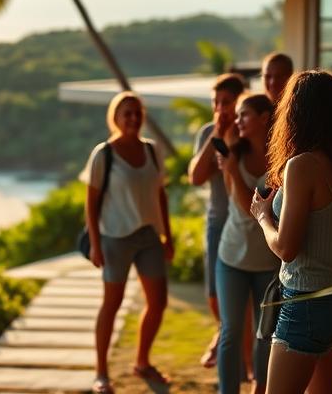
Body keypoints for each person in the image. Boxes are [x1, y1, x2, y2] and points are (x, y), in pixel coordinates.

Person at [250, 71, 332, 394]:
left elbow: (286, 249)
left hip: (307, 300)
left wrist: (264, 217)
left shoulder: (302, 166)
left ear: (297, 113)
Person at [85, 91, 174, 394]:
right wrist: (95, 244)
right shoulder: (103, 154)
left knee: (158, 303)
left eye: (137, 113)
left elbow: (160, 194)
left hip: (148, 235)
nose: (133, 119)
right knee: (112, 304)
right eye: (127, 114)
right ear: (116, 118)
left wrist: (168, 236)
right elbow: (91, 202)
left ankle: (142, 362)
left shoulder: (152, 150)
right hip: (114, 238)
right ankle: (101, 373)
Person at [214, 93, 279, 394]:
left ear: (265, 118)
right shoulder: (233, 153)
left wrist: (230, 171)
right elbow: (242, 207)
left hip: (267, 261)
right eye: (237, 116)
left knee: (264, 333)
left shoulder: (282, 159)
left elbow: (252, 209)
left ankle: (260, 389)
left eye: (245, 115)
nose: (238, 120)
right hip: (231, 257)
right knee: (230, 332)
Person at [188, 73, 248, 370]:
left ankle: (244, 362)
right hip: (216, 222)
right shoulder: (208, 132)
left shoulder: (247, 131)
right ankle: (224, 333)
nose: (220, 108)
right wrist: (214, 140)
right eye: (216, 102)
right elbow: (195, 177)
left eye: (226, 102)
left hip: (244, 223)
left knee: (244, 299)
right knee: (213, 295)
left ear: (239, 100)